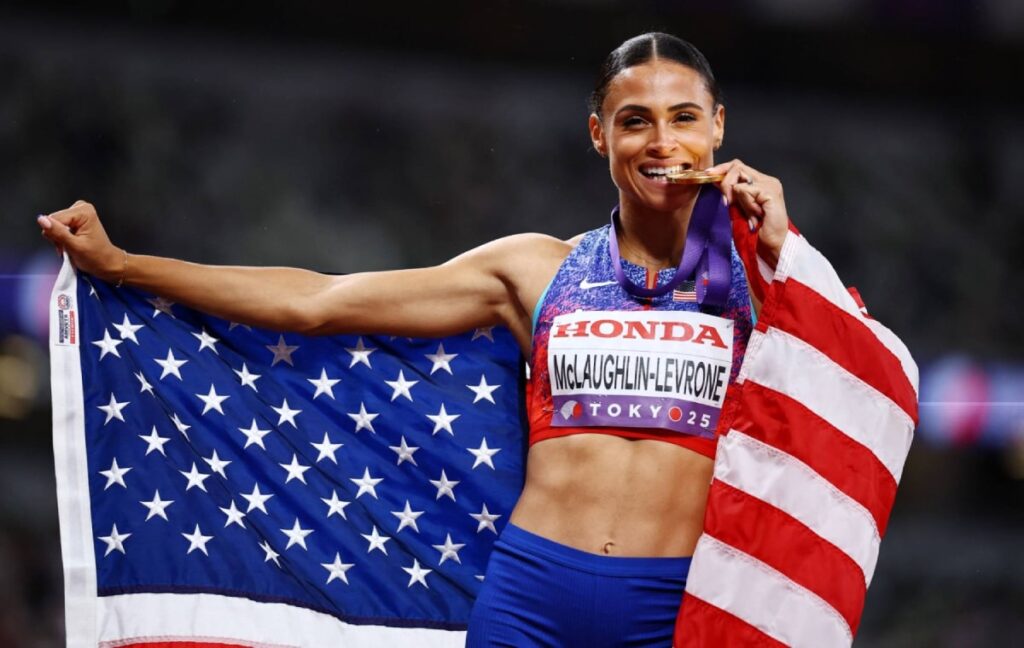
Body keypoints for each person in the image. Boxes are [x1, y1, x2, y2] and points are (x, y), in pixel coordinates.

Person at [39, 33, 790, 647]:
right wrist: (123, 265)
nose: (662, 141)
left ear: (717, 126)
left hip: (676, 610)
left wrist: (782, 251)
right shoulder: (535, 270)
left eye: (683, 118)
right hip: (531, 603)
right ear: (600, 134)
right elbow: (319, 303)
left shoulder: (769, 286)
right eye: (635, 120)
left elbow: (847, 379)